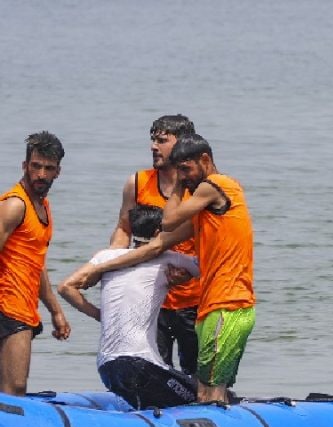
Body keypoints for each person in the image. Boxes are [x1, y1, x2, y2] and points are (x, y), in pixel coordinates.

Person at [69, 134, 254, 404]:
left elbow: (167, 220)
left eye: (186, 169)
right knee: (207, 390)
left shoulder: (216, 184)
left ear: (205, 160)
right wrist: (102, 267)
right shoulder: (206, 215)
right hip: (211, 304)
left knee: (208, 392)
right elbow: (156, 246)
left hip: (229, 304)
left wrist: (177, 184)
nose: (183, 176)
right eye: (179, 171)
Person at [59, 205, 199, 409]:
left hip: (107, 368)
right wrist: (185, 276)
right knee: (199, 395)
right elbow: (212, 269)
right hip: (141, 366)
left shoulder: (105, 257)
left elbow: (65, 287)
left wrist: (101, 315)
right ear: (159, 233)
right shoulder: (169, 259)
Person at [109, 114, 201, 376]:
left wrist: (188, 273)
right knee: (151, 372)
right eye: (153, 140)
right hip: (149, 299)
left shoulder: (200, 189)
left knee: (196, 373)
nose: (153, 146)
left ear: (182, 144)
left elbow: (212, 242)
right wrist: (112, 264)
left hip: (192, 299)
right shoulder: (137, 183)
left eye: (162, 141)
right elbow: (123, 229)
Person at [0, 132, 71, 396]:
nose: (41, 174)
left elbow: (35, 262)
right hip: (8, 305)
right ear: (25, 166)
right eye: (36, 166)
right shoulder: (15, 205)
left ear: (58, 172)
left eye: (48, 168)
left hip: (24, 305)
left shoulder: (43, 207)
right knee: (15, 388)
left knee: (10, 388)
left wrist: (55, 311)